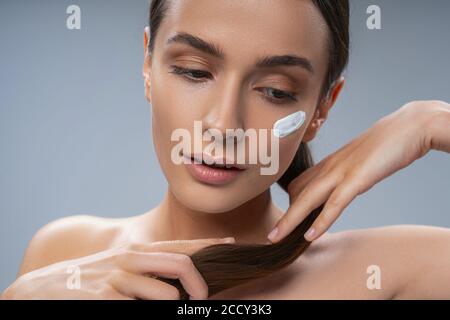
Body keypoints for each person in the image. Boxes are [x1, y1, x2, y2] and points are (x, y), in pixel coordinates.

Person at [2, 0, 450, 300]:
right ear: (147, 64)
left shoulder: (391, 271)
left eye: (275, 90)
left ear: (321, 109)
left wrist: (429, 121)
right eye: (195, 72)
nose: (222, 124)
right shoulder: (62, 252)